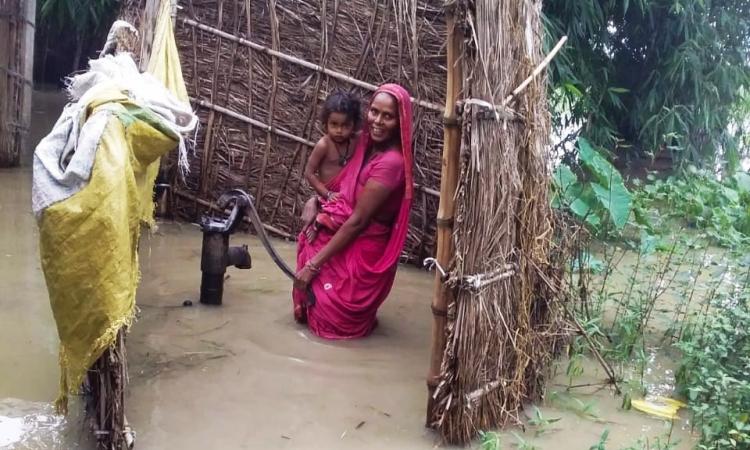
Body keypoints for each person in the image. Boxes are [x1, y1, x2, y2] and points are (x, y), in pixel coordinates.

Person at [292, 83, 414, 339]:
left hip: (363, 243)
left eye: (388, 116)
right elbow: (334, 184)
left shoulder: (390, 163)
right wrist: (317, 199)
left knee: (332, 317)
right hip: (346, 231)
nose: (378, 121)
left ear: (399, 121)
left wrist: (313, 265)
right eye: (374, 112)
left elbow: (358, 221)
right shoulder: (363, 144)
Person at [300, 90, 361, 240]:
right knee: (337, 212)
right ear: (326, 123)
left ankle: (324, 221)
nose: (339, 130)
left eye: (345, 125)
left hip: (347, 197)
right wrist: (326, 194)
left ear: (354, 125)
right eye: (334, 124)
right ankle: (319, 221)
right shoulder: (323, 145)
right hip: (329, 197)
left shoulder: (356, 142)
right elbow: (309, 173)